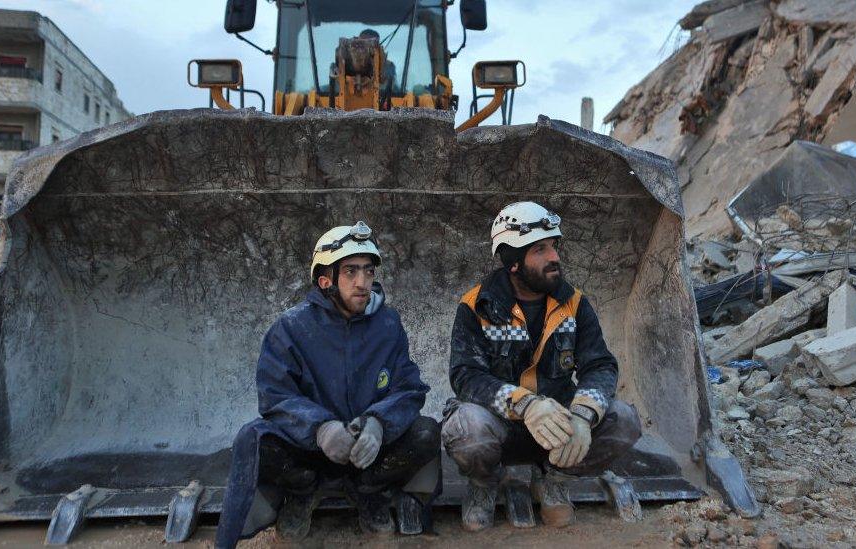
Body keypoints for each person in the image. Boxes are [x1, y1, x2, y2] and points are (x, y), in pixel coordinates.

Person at [215, 222, 439, 547]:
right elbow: (275, 396)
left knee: (425, 433)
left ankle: (368, 490)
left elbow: (408, 387)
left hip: (367, 452)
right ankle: (303, 493)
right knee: (254, 440)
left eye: (368, 271)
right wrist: (320, 428)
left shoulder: (388, 324)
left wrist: (378, 423)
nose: (363, 283)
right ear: (325, 281)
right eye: (350, 272)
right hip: (309, 450)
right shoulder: (290, 328)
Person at [443, 202, 642, 530]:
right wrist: (525, 405)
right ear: (513, 263)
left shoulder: (574, 303)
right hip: (501, 426)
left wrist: (583, 414)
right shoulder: (476, 305)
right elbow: (466, 376)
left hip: (559, 427)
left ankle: (555, 481)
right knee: (467, 428)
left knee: (624, 421)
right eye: (540, 249)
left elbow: (600, 364)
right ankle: (484, 485)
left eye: (553, 247)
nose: (555, 257)